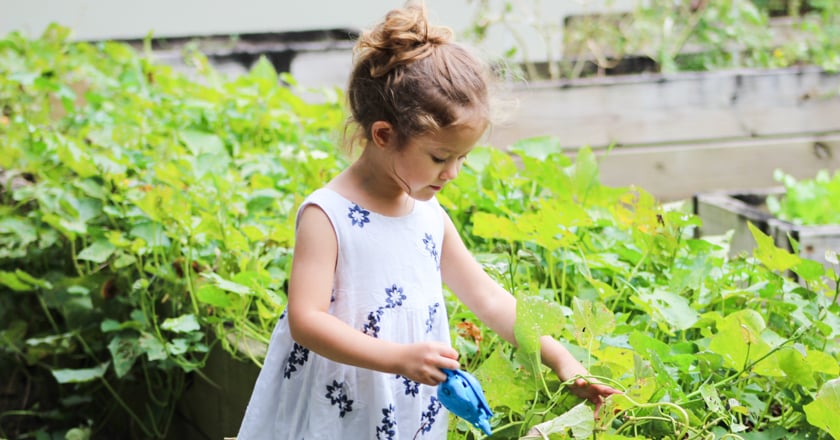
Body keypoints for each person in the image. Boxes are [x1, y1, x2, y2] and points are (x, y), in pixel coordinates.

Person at [236, 2, 620, 438]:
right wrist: (397, 358)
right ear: (384, 135)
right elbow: (306, 320)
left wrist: (562, 360)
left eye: (462, 158)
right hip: (343, 406)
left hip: (405, 405)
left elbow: (489, 300)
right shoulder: (329, 216)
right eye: (440, 157)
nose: (452, 172)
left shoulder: (428, 216)